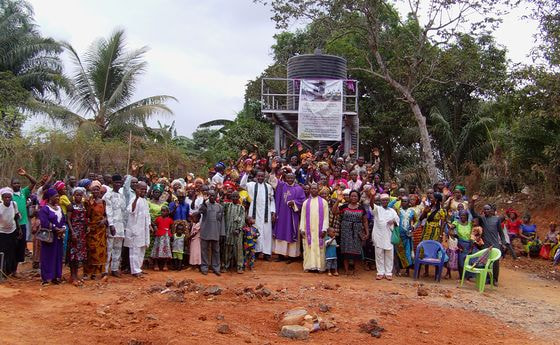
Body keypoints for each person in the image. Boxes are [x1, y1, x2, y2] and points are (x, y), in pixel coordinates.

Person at [270, 171, 306, 262]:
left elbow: (303, 201)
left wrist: (294, 203)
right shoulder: (281, 186)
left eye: (291, 178)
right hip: (281, 215)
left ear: (294, 178)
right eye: (288, 178)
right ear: (285, 178)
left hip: (292, 216)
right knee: (280, 232)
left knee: (291, 233)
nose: (290, 179)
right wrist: (273, 169)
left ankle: (291, 256)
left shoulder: (299, 188)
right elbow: (272, 180)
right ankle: (280, 255)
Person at [470, 196, 506, 286]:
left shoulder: (496, 219)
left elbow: (501, 233)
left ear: (491, 210)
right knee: (485, 261)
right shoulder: (482, 219)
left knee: (495, 262)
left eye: (487, 209)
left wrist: (504, 243)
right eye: (484, 209)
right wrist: (473, 202)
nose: (486, 211)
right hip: (485, 244)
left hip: (495, 244)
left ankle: (495, 280)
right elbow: (473, 213)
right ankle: (486, 278)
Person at [240, 170, 276, 260]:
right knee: (255, 231)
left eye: (262, 176)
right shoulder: (251, 185)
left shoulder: (268, 187)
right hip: (254, 213)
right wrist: (247, 173)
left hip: (266, 213)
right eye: (258, 176)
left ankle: (267, 253)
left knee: (267, 232)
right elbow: (242, 185)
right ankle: (255, 252)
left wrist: (273, 212)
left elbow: (272, 200)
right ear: (256, 177)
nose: (260, 178)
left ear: (265, 177)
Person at [333, 190, 369, 275]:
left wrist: (367, 232)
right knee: (346, 250)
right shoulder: (344, 206)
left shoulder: (361, 208)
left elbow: (365, 221)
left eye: (355, 196)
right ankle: (346, 270)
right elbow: (334, 212)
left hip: (357, 231)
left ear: (358, 198)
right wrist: (338, 201)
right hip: (346, 231)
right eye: (352, 196)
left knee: (356, 250)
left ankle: (355, 270)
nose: (353, 198)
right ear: (349, 197)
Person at [10, 168, 37, 273]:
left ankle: (14, 271)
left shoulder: (23, 192)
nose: (17, 184)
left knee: (20, 247)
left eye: (18, 183)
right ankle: (8, 269)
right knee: (11, 247)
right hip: (12, 225)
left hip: (23, 224)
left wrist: (26, 174)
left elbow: (34, 182)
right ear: (11, 184)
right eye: (14, 183)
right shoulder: (9, 195)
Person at [38, 188, 66, 285]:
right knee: (47, 256)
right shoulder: (45, 209)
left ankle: (56, 276)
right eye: (56, 196)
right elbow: (44, 222)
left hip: (59, 237)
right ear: (50, 198)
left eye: (58, 196)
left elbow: (64, 220)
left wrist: (63, 228)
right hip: (49, 237)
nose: (58, 198)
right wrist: (55, 228)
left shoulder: (59, 208)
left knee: (58, 256)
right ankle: (46, 278)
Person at [299, 183, 329, 272]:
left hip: (319, 230)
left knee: (320, 248)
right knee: (308, 248)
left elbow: (326, 217)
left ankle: (320, 267)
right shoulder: (305, 203)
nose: (313, 190)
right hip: (309, 230)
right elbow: (303, 217)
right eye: (312, 188)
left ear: (318, 189)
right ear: (310, 190)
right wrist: (302, 229)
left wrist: (324, 229)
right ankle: (308, 266)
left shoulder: (324, 202)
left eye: (315, 188)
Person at [124, 181, 151, 277]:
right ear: (136, 189)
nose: (143, 191)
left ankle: (139, 267)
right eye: (141, 189)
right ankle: (135, 270)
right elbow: (131, 210)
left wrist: (149, 225)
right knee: (135, 250)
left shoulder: (145, 200)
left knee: (142, 249)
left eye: (145, 189)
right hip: (135, 230)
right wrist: (136, 197)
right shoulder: (134, 199)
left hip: (143, 230)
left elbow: (147, 215)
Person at [371, 193, 399, 280]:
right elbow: (371, 204)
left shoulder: (392, 211)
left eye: (386, 200)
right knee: (379, 254)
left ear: (388, 201)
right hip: (378, 235)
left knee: (389, 254)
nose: (385, 201)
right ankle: (380, 272)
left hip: (389, 235)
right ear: (380, 201)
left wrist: (393, 221)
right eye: (383, 200)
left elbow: (397, 220)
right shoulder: (377, 209)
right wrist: (372, 196)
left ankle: (388, 272)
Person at [103, 175, 126, 277]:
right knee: (109, 248)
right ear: (112, 183)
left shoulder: (122, 196)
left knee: (118, 248)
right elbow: (108, 210)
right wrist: (111, 225)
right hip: (112, 225)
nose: (118, 184)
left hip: (120, 225)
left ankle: (115, 268)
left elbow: (124, 211)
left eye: (120, 183)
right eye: (116, 182)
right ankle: (105, 269)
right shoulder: (108, 195)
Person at [199, 190, 224, 276]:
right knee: (204, 250)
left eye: (213, 195)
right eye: (210, 196)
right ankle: (204, 267)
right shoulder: (205, 205)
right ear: (208, 196)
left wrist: (222, 233)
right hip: (205, 231)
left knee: (216, 250)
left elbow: (222, 221)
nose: (212, 197)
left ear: (216, 196)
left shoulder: (219, 207)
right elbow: (201, 211)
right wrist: (203, 201)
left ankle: (216, 268)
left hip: (216, 231)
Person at [66, 188, 87, 285]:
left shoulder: (83, 206)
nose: (78, 197)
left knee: (79, 255)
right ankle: (72, 275)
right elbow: (68, 220)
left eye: (80, 195)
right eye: (76, 195)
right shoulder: (71, 206)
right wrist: (72, 232)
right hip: (74, 231)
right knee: (73, 254)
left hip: (82, 232)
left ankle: (76, 274)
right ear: (74, 195)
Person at [222, 191, 245, 273]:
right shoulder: (227, 206)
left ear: (239, 198)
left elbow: (242, 220)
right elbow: (221, 206)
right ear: (231, 198)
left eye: (236, 197)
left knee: (238, 249)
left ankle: (239, 266)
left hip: (237, 232)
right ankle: (225, 265)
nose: (235, 198)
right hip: (228, 230)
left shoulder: (241, 208)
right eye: (233, 197)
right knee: (227, 249)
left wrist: (238, 229)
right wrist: (223, 194)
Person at [0, 187, 21, 277]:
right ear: (2, 197)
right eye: (5, 197)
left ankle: (9, 271)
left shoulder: (14, 204)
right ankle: (2, 270)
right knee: (2, 252)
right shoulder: (0, 207)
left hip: (12, 230)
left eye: (9, 197)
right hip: (1, 232)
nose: (7, 199)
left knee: (11, 251)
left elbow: (16, 216)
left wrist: (19, 229)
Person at [394, 196, 416, 276]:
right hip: (399, 234)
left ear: (408, 202)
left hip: (408, 236)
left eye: (406, 201)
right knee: (398, 252)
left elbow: (417, 221)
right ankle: (398, 270)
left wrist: (413, 227)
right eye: (402, 201)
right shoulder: (398, 211)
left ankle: (407, 271)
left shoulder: (412, 211)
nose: (404, 203)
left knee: (408, 253)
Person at [151, 205, 173, 271]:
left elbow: (172, 227)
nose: (162, 212)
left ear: (167, 212)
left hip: (166, 236)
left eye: (164, 211)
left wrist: (171, 235)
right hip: (159, 236)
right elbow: (154, 224)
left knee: (166, 249)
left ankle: (165, 264)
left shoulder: (170, 220)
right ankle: (156, 264)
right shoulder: (158, 218)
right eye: (162, 211)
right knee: (157, 249)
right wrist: (155, 228)